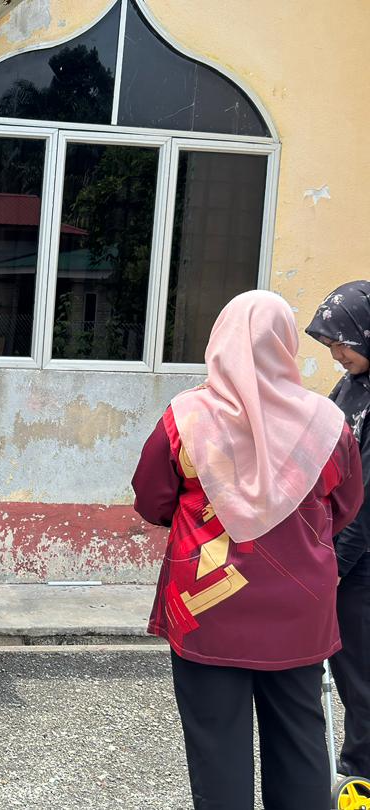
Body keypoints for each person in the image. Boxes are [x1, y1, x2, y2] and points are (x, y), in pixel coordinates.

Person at [132, 290, 364, 809]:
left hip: (208, 604)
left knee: (216, 746)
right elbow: (346, 506)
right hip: (300, 608)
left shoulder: (186, 417)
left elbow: (151, 498)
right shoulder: (327, 424)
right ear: (284, 344)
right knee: (301, 739)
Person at [306, 281, 370, 778]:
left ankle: (359, 772)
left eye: (342, 342)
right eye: (330, 345)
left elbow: (366, 498)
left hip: (361, 556)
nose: (337, 355)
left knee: (359, 671)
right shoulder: (351, 386)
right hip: (339, 543)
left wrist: (334, 567)